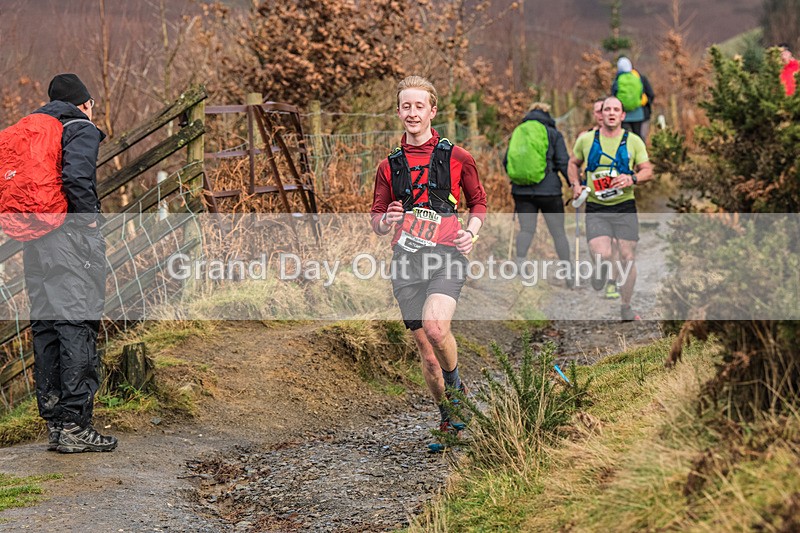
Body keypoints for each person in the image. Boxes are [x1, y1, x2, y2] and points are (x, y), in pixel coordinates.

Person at [370, 75, 486, 439]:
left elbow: (478, 202)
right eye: (406, 106)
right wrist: (385, 220)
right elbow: (375, 218)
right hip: (406, 261)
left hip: (447, 255)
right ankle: (447, 418)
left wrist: (470, 232)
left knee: (437, 329)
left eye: (420, 106)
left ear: (432, 110)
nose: (413, 112)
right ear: (399, 111)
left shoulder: (458, 156)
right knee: (428, 353)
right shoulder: (388, 165)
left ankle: (457, 390)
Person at [23, 74, 116, 453]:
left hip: (35, 239)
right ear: (85, 102)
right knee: (75, 323)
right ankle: (77, 424)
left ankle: (57, 425)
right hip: (68, 238)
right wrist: (89, 219)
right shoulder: (80, 127)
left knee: (46, 326)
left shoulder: (35, 130)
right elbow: (78, 177)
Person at [567, 96, 653, 321]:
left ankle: (626, 306)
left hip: (624, 206)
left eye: (616, 110)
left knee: (627, 256)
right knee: (602, 253)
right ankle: (601, 268)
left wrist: (631, 178)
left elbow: (647, 170)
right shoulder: (586, 140)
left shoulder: (633, 141)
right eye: (607, 109)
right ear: (601, 114)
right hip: (596, 206)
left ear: (623, 116)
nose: (612, 113)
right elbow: (573, 163)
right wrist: (576, 185)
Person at [503, 102, 572, 285]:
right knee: (558, 233)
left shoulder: (519, 131)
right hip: (549, 191)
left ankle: (520, 265)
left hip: (521, 191)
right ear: (548, 114)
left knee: (526, 229)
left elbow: (506, 161)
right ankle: (568, 273)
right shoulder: (553, 133)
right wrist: (574, 184)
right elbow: (563, 162)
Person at [612, 57, 655, 142]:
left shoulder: (618, 79)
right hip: (638, 113)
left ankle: (626, 154)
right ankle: (640, 153)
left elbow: (614, 93)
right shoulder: (638, 78)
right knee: (638, 137)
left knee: (624, 137)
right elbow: (647, 93)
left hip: (623, 114)